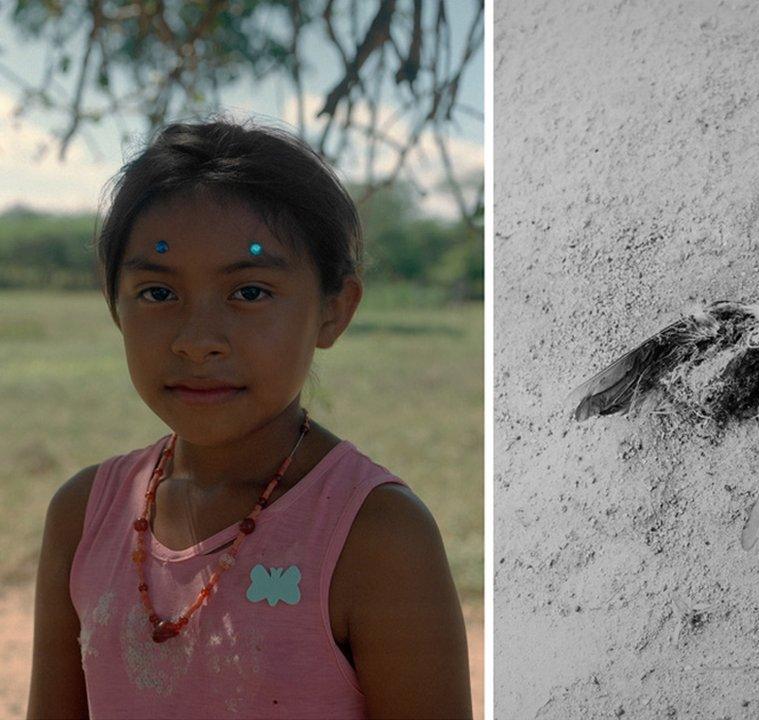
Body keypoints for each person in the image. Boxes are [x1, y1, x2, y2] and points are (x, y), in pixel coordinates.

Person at [26, 119, 472, 719]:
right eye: (157, 293)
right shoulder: (84, 515)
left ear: (334, 312)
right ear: (116, 307)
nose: (197, 340)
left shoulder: (373, 535)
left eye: (251, 292)